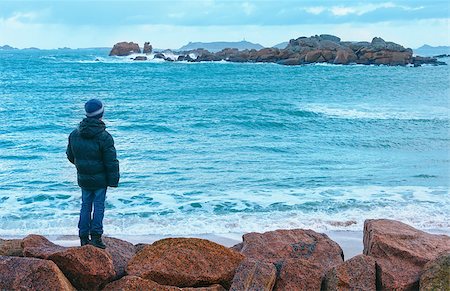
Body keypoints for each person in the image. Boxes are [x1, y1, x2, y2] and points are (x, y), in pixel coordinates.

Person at [66, 99, 120, 248]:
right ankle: (96, 236)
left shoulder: (74, 134)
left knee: (85, 205)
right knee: (99, 206)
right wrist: (113, 180)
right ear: (101, 115)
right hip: (100, 179)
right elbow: (111, 161)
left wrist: (81, 166)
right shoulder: (104, 137)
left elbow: (71, 155)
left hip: (83, 178)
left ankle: (83, 237)